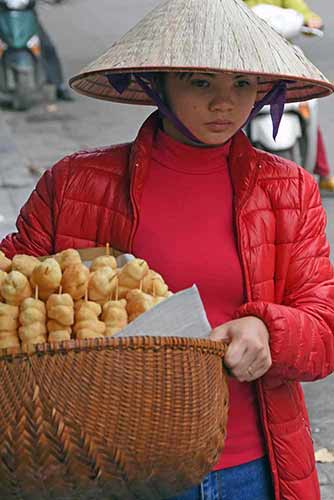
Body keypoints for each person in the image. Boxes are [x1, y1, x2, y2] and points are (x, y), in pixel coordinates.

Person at [1, 0, 334, 498]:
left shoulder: (289, 191)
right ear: (159, 83)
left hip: (249, 467)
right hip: (109, 466)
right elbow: (13, 287)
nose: (224, 103)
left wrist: (269, 330)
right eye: (200, 82)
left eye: (241, 84)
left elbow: (323, 330)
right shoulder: (74, 184)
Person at [244, 0, 334, 192]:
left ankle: (323, 172)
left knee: (307, 110)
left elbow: (299, 8)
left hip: (284, 57)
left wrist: (310, 19)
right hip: (248, 54)